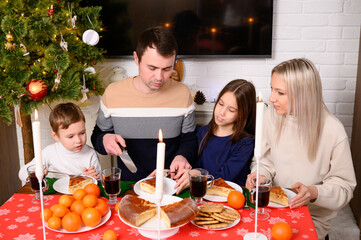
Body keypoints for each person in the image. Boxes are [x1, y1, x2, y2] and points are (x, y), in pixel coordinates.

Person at [245, 58, 356, 240]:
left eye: (280, 92)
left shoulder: (333, 129)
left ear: (303, 94)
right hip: (274, 209)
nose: (271, 98)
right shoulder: (270, 116)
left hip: (312, 219)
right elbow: (264, 161)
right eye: (272, 88)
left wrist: (313, 192)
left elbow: (344, 188)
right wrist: (260, 175)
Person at [91, 26, 197, 181]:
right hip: (128, 185)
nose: (159, 77)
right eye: (152, 68)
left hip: (170, 184)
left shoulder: (183, 94)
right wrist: (104, 139)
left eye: (167, 69)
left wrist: (183, 156)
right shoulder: (113, 93)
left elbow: (190, 139)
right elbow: (97, 137)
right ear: (136, 58)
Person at [172, 79, 256, 193]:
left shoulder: (245, 143)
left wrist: (199, 174)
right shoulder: (201, 132)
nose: (221, 112)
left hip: (230, 198)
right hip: (201, 193)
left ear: (242, 114)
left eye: (231, 110)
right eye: (220, 104)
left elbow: (225, 176)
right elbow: (190, 165)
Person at [19, 102, 101, 181]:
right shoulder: (49, 152)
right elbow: (22, 173)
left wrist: (91, 177)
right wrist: (35, 171)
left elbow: (99, 180)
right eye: (70, 136)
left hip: (81, 194)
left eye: (82, 133)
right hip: (55, 194)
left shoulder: (90, 154)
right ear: (55, 136)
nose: (78, 140)